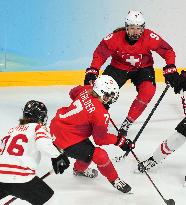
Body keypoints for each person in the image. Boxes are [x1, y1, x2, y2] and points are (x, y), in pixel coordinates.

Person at [84, 10, 180, 137]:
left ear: (143, 28)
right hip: (118, 67)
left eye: (139, 28)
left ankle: (127, 123)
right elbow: (100, 54)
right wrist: (93, 70)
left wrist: (170, 66)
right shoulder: (115, 38)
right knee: (102, 91)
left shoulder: (150, 37)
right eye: (132, 28)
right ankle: (96, 120)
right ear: (126, 28)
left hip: (143, 69)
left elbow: (168, 51)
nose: (135, 31)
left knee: (148, 91)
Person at [50, 75, 135, 194]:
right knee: (99, 155)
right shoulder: (101, 114)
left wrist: (88, 104)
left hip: (56, 126)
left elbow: (72, 93)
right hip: (67, 139)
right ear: (101, 93)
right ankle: (114, 180)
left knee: (88, 153)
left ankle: (79, 170)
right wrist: (120, 141)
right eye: (108, 95)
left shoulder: (87, 89)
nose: (110, 98)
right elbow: (100, 139)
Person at [0, 100, 70, 205]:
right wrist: (58, 156)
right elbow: (42, 143)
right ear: (41, 117)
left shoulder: (12, 130)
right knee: (53, 201)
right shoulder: (37, 127)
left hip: (1, 177)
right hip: (22, 178)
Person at [136, 71, 186, 175]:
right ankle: (153, 160)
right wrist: (170, 75)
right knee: (176, 139)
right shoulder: (183, 81)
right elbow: (174, 79)